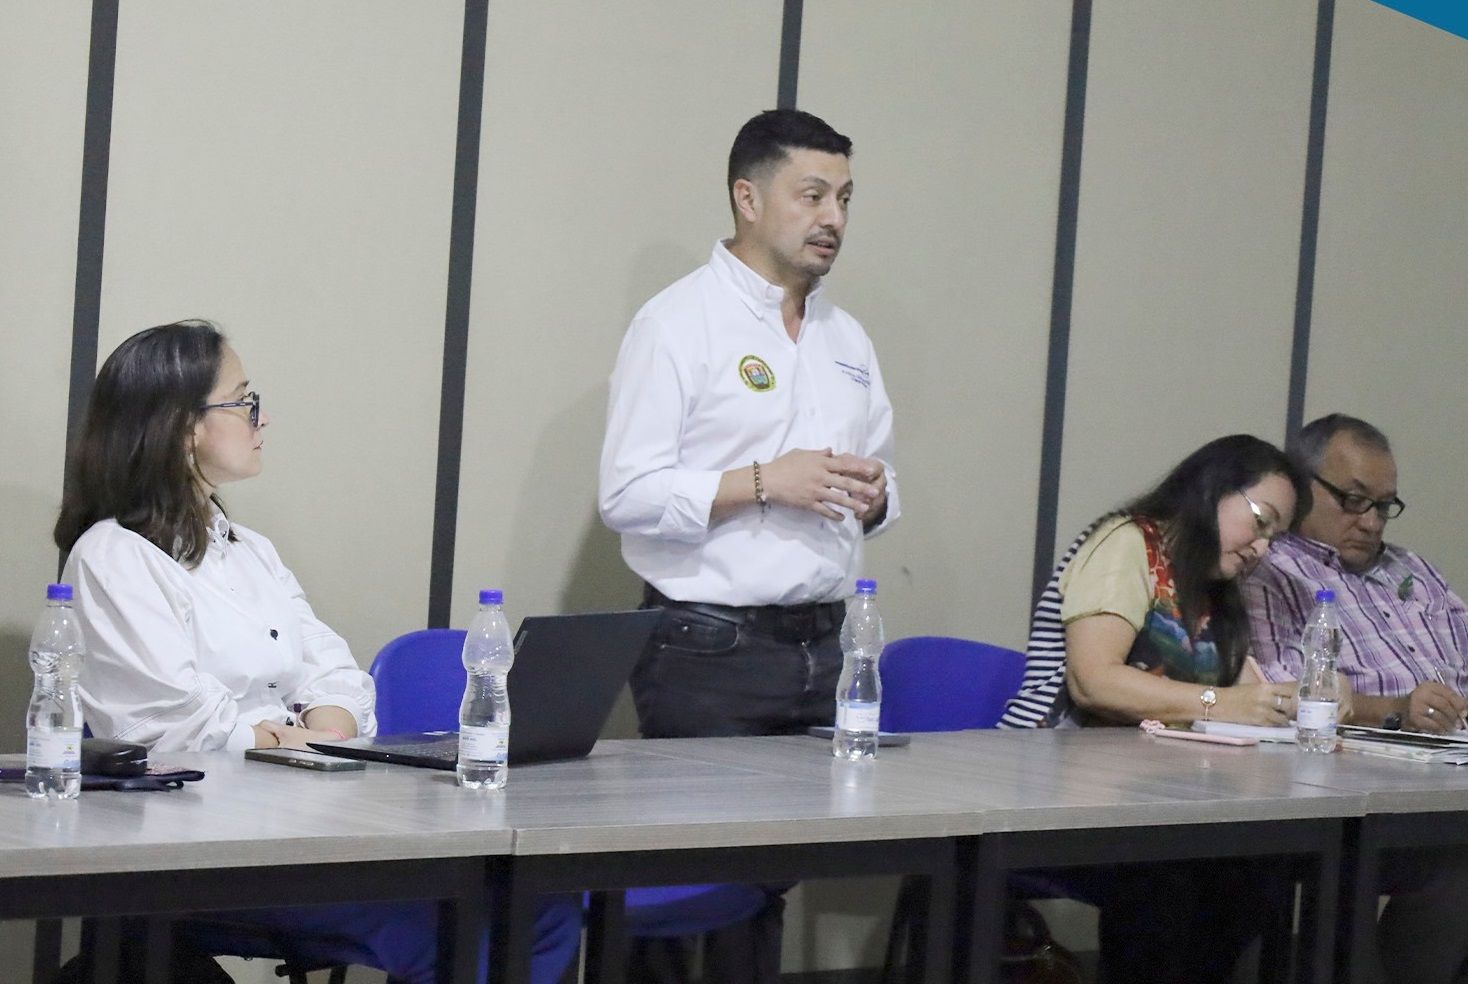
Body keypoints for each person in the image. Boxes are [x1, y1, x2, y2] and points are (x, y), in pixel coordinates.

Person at [55, 320, 579, 984]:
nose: (263, 418)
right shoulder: (113, 556)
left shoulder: (248, 548)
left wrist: (320, 730)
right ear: (183, 426)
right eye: (245, 402)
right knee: (469, 922)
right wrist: (287, 738)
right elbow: (169, 727)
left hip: (301, 821)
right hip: (207, 844)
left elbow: (333, 668)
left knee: (543, 907)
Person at [597, 108, 898, 981]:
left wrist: (875, 496)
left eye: (845, 198)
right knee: (687, 882)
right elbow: (626, 495)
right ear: (748, 198)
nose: (833, 217)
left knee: (768, 886)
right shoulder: (677, 323)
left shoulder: (846, 338)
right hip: (708, 647)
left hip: (826, 644)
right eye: (812, 195)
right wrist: (766, 481)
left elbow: (880, 473)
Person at [1000, 435, 1311, 983]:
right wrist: (1222, 702)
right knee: (1167, 880)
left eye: (1275, 538)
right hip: (1056, 790)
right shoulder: (1126, 542)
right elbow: (1094, 681)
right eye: (1261, 522)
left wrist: (1300, 702)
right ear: (1214, 489)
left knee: (1260, 868)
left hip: (1158, 798)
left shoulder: (1212, 591)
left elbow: (1249, 695)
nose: (1262, 549)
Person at [1244, 413, 1468, 984]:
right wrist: (1398, 710)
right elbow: (1285, 695)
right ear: (1302, 486)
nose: (1370, 522)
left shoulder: (1412, 569)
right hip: (1345, 787)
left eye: (1384, 506)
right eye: (1353, 500)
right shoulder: (1272, 570)